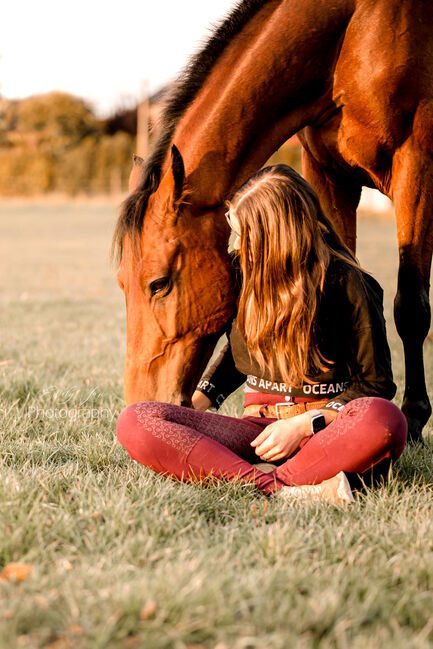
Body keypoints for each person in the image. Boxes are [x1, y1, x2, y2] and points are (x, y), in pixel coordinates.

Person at [116, 165, 407, 505]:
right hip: (258, 432)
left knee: (385, 419)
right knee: (137, 420)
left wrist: (303, 426)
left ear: (278, 235)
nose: (236, 245)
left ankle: (253, 478)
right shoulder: (240, 273)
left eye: (245, 235)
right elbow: (239, 355)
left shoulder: (348, 283)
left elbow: (376, 385)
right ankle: (288, 490)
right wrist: (195, 408)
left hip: (325, 431)